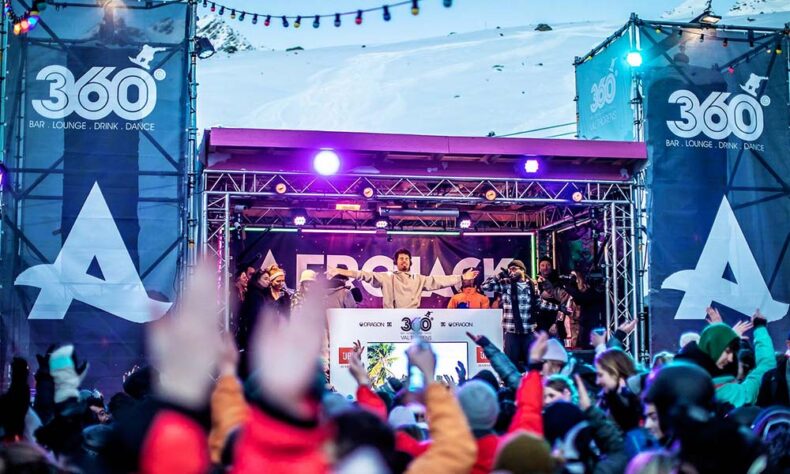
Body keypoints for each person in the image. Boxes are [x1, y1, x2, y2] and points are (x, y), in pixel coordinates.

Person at [480, 259, 568, 371]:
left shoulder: (531, 285)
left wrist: (558, 308)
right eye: (509, 270)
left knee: (532, 365)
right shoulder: (506, 284)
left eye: (514, 269)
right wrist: (500, 275)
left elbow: (539, 303)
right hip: (512, 332)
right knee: (510, 366)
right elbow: (485, 287)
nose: (511, 272)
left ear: (522, 270)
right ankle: (512, 387)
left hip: (528, 331)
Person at [326, 248, 478, 309]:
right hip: (390, 320)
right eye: (401, 259)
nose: (404, 261)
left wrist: (462, 277)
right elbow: (363, 275)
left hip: (412, 321)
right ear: (396, 262)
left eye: (406, 259)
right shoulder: (386, 277)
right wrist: (341, 271)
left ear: (410, 262)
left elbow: (440, 281)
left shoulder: (419, 279)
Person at [563, 269, 605, 349]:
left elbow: (581, 298)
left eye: (574, 277)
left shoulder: (593, 291)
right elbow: (578, 299)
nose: (572, 279)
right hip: (581, 326)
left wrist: (571, 286)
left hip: (591, 326)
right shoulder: (577, 292)